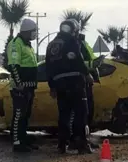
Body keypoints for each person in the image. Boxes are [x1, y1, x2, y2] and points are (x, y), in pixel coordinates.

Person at [45, 19, 93, 154]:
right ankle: (81, 143)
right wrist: (87, 74)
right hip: (75, 82)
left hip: (59, 84)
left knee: (64, 114)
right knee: (80, 113)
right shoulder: (72, 41)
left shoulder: (51, 45)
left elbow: (48, 68)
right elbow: (78, 59)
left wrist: (52, 86)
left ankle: (62, 144)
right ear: (74, 30)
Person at [7, 18, 39, 152]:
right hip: (20, 87)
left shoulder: (27, 45)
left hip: (29, 86)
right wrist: (19, 84)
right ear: (26, 31)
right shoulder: (16, 44)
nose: (35, 34)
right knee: (19, 114)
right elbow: (14, 65)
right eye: (33, 31)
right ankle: (17, 142)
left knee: (26, 115)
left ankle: (24, 139)